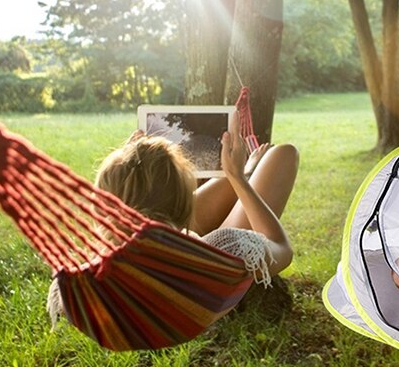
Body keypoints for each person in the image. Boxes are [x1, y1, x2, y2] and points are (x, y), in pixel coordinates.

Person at [47, 111, 298, 322]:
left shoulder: (78, 279)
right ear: (184, 202)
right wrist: (238, 179)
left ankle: (248, 168)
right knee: (282, 154)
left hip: (157, 253)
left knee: (268, 160)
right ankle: (247, 168)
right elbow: (281, 249)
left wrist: (128, 167)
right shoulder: (223, 249)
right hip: (193, 267)